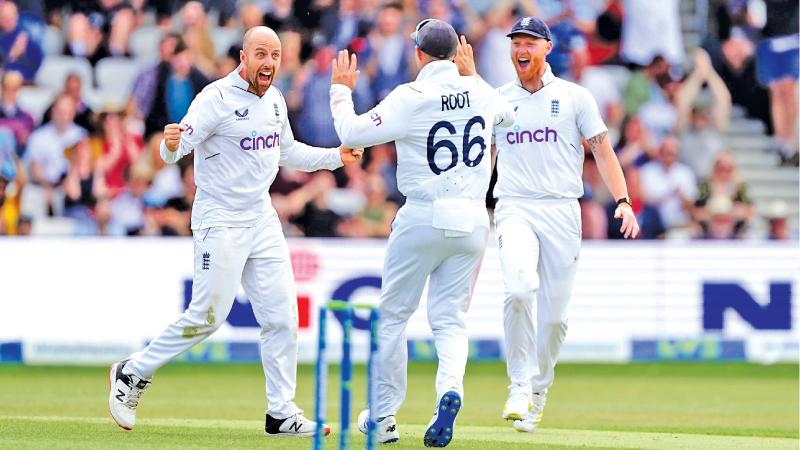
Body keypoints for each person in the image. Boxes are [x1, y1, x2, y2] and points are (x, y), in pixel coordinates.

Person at [107, 26, 364, 438]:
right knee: (207, 317)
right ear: (243, 57)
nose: (269, 63)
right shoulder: (216, 98)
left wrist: (337, 156)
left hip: (261, 217)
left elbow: (287, 151)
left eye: (275, 55)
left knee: (282, 317)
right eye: (260, 54)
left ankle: (281, 412)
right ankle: (131, 372)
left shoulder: (276, 100)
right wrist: (168, 146)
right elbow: (176, 147)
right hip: (219, 219)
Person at [329, 19, 515, 447]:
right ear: (456, 54)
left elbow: (352, 132)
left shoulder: (411, 95)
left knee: (393, 317)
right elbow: (506, 117)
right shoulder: (481, 90)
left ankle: (383, 417)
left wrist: (341, 91)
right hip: (471, 219)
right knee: (450, 320)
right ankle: (450, 390)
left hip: (424, 215)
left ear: (418, 54)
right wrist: (474, 78)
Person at [484, 16, 639, 432]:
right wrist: (475, 205)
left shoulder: (575, 97)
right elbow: (487, 160)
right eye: (516, 42)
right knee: (518, 289)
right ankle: (518, 385)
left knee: (554, 319)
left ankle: (538, 389)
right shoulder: (497, 100)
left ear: (547, 48)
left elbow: (602, 152)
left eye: (530, 42)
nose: (521, 49)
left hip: (562, 210)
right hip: (514, 206)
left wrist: (622, 201)